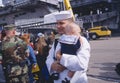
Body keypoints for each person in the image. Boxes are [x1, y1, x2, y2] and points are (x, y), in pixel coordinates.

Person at [46, 10, 91, 83]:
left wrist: (61, 58)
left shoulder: (80, 41)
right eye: (57, 23)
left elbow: (82, 64)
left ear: (70, 24)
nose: (58, 26)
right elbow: (49, 57)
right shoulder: (57, 41)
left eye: (61, 23)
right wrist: (52, 65)